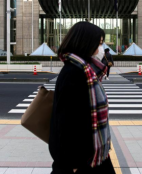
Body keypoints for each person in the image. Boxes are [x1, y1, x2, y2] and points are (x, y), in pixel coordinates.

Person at [49, 21, 115, 174]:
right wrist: (72, 162)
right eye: (98, 44)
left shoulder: (86, 70)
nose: (100, 49)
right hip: (80, 160)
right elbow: (65, 121)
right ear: (85, 43)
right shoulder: (74, 73)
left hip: (91, 153)